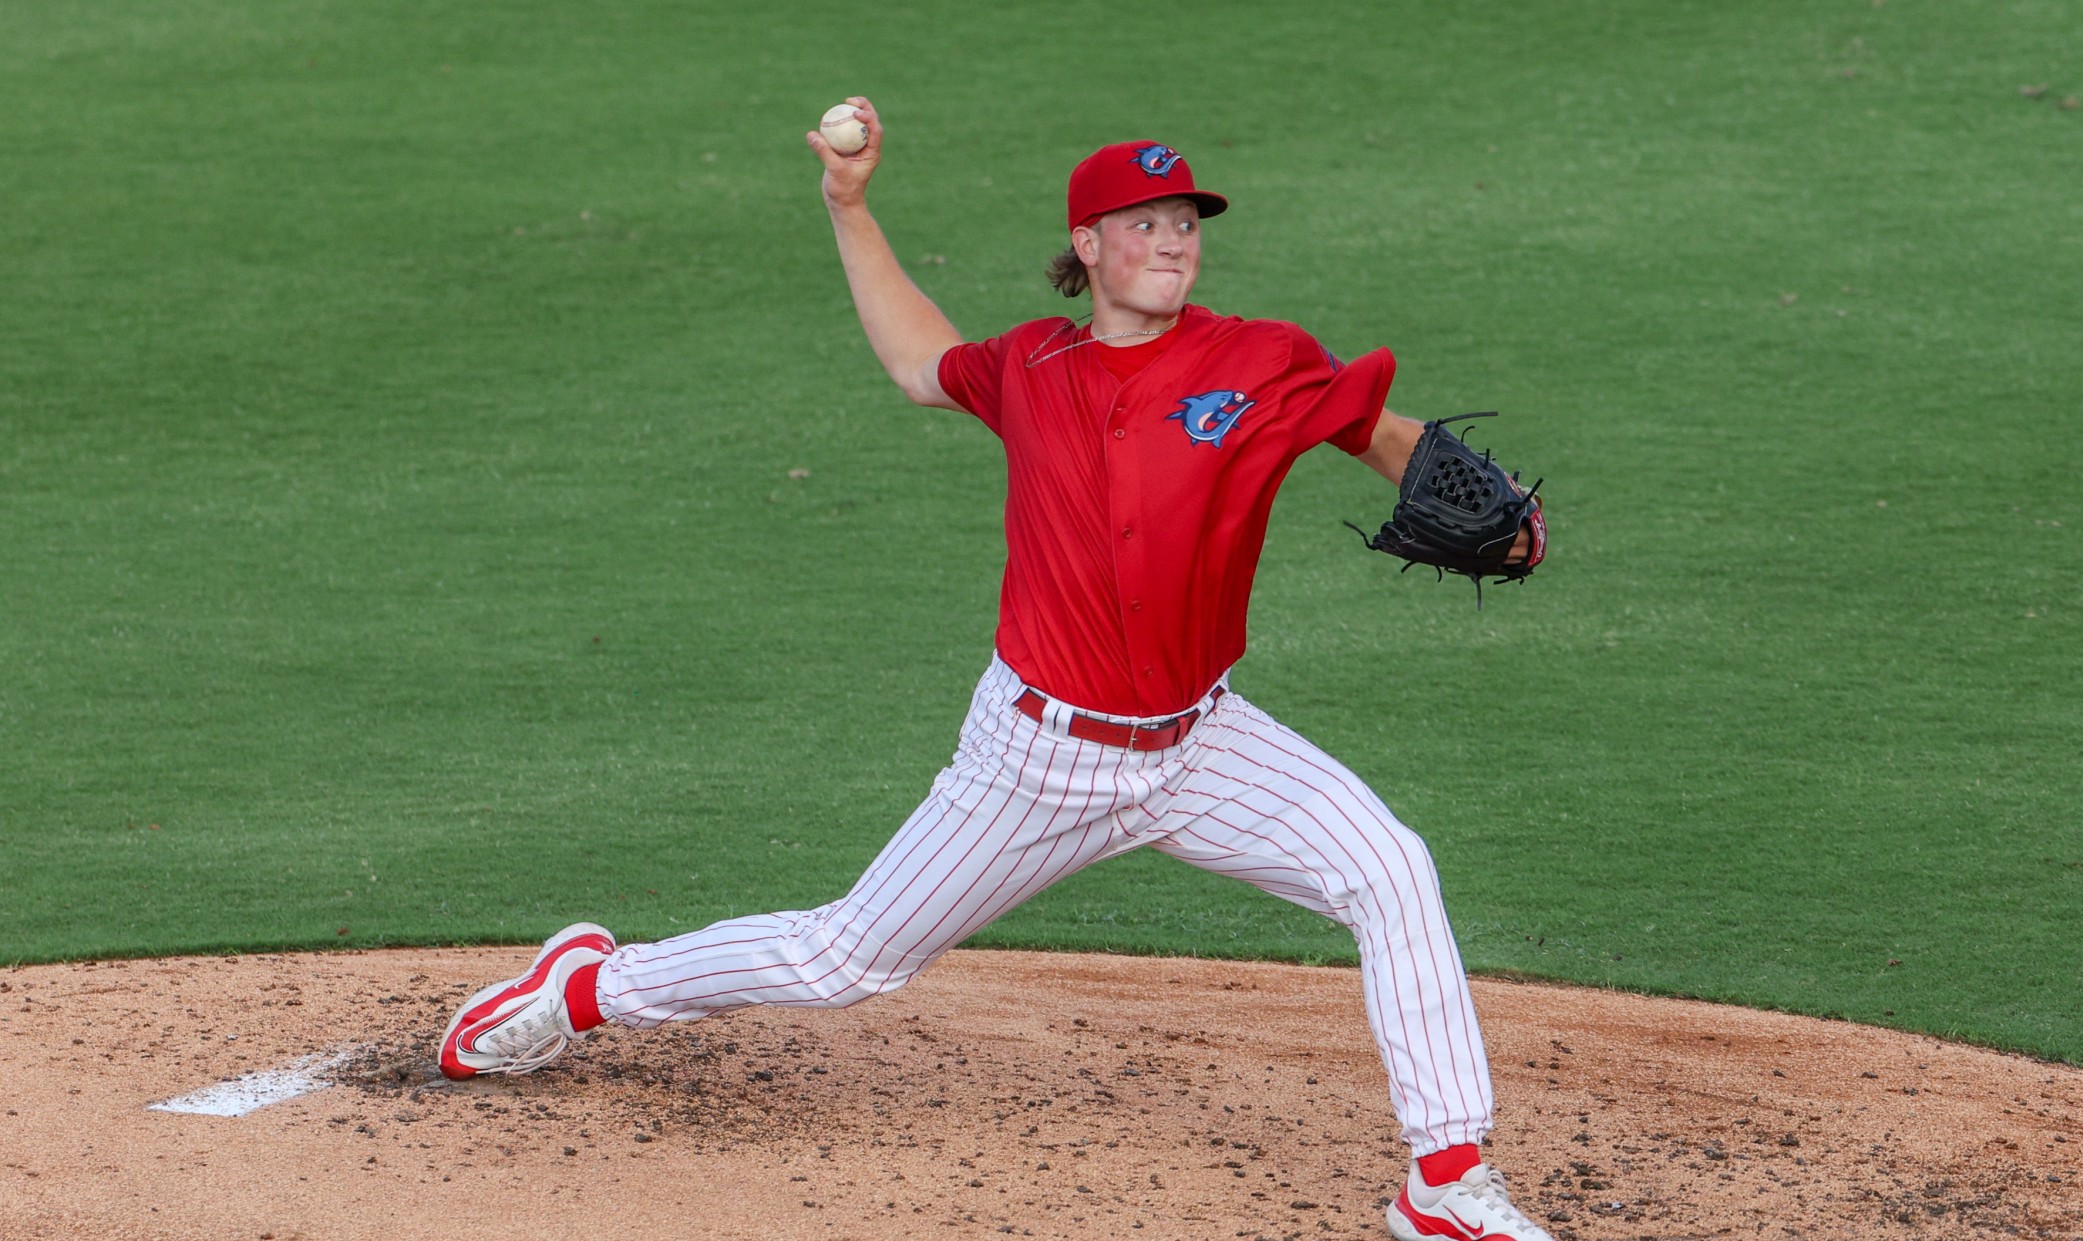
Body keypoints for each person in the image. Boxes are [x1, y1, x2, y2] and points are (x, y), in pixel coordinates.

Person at [439, 98, 1551, 1241]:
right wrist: (848, 205)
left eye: (1186, 223)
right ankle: (585, 986)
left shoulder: (1259, 358)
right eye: (1146, 222)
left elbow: (1368, 425)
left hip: (1201, 742)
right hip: (1037, 759)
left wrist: (1496, 505)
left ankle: (1445, 1177)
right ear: (1088, 244)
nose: (1174, 241)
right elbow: (917, 362)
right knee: (842, 959)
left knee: (1389, 867)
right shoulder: (1030, 365)